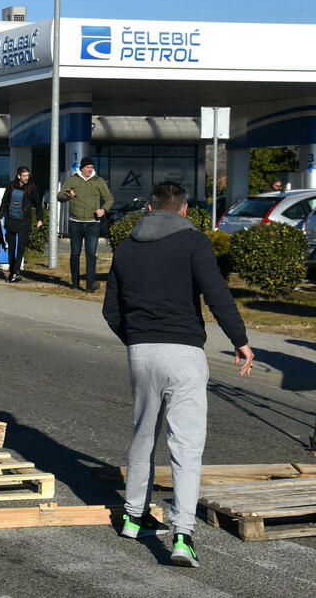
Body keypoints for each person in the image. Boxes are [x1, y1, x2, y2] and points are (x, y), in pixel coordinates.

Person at [102, 181, 254, 569]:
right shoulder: (195, 242)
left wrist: (136, 340)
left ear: (151, 209)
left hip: (141, 352)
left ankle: (133, 517)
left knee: (143, 435)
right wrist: (240, 340)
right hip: (184, 353)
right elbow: (217, 292)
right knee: (185, 446)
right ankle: (182, 536)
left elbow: (111, 309)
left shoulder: (127, 246)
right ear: (184, 210)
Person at [57, 157, 113, 291]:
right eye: (88, 167)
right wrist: (68, 195)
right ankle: (75, 284)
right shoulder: (72, 180)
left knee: (91, 254)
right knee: (75, 254)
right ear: (82, 168)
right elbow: (60, 196)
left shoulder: (98, 181)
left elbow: (109, 198)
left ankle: (90, 284)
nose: (90, 170)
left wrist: (103, 209)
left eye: (92, 168)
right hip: (75, 223)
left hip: (93, 223)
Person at [0, 166, 43, 283]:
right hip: (10, 220)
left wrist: (40, 219)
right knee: (11, 247)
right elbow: (4, 201)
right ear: (19, 176)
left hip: (25, 222)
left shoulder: (31, 187)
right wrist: (0, 215)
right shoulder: (10, 185)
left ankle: (15, 272)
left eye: (28, 175)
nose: (26, 178)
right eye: (24, 176)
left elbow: (38, 203)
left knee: (21, 247)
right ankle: (12, 272)